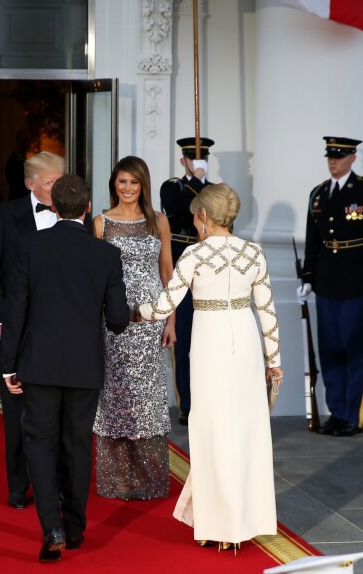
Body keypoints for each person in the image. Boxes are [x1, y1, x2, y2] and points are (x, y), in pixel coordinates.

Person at [139, 183, 282, 549]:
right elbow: (266, 311)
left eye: (194, 216)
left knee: (212, 432)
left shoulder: (194, 255)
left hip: (209, 345)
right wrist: (274, 362)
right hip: (246, 343)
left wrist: (130, 314)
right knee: (245, 431)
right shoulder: (255, 253)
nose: (193, 222)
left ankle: (220, 526)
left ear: (203, 216)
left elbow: (162, 305)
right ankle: (241, 524)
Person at [1, 174, 129, 562]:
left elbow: (16, 311)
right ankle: (74, 530)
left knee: (40, 443)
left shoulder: (29, 247)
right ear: (87, 208)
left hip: (38, 365)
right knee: (76, 446)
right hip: (84, 367)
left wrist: (9, 365)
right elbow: (118, 320)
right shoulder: (106, 254)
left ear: (53, 207)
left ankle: (51, 526)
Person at [0, 151, 67, 510]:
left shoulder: (73, 212)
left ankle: (58, 484)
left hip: (59, 330)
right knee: (16, 413)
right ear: (31, 184)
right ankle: (18, 485)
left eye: (60, 180)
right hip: (14, 329)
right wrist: (0, 321)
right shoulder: (4, 215)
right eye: (50, 182)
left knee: (58, 412)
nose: (57, 187)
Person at [92, 156, 174, 500]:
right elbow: (92, 277)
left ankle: (149, 479)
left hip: (153, 323)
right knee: (117, 397)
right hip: (115, 324)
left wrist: (172, 319)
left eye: (134, 182)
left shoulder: (159, 221)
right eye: (122, 181)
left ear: (144, 185)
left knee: (148, 399)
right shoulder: (100, 223)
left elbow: (168, 272)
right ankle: (117, 478)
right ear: (114, 183)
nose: (127, 188)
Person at [297, 136, 363, 438]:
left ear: (353, 158)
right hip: (326, 281)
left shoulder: (362, 190)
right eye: (330, 156)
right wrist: (308, 277)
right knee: (330, 349)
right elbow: (313, 241)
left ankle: (352, 415)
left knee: (354, 350)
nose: (333, 161)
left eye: (339, 156)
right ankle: (336, 412)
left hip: (356, 280)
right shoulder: (319, 194)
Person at [159, 136, 215, 426]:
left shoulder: (216, 191)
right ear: (183, 161)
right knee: (183, 339)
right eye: (192, 159)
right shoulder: (173, 186)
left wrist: (204, 184)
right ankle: (187, 402)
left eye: (201, 159)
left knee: (209, 340)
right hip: (182, 267)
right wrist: (197, 181)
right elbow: (178, 208)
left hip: (209, 269)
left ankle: (208, 398)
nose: (197, 163)